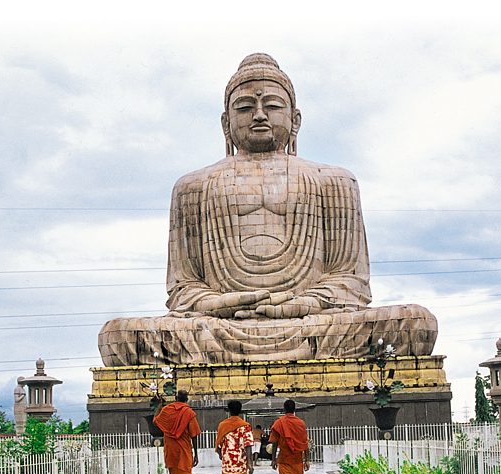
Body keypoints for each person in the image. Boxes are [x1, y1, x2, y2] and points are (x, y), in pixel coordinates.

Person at [98, 53, 438, 366]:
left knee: (415, 323)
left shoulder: (334, 181)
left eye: (272, 105)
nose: (259, 114)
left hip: (312, 321)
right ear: (225, 122)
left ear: (296, 120)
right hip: (220, 325)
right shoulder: (193, 187)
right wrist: (221, 304)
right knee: (118, 335)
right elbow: (184, 287)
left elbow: (350, 282)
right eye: (245, 107)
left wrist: (300, 304)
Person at [154, 389, 201, 474]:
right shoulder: (189, 413)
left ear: (175, 397)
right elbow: (194, 435)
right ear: (187, 399)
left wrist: (159, 405)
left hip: (170, 452)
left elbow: (156, 421)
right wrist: (196, 453)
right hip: (183, 452)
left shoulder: (167, 410)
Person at [215, 400, 256, 474]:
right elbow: (248, 444)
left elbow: (219, 443)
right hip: (240, 458)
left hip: (228, 457)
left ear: (228, 410)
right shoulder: (245, 425)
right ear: (240, 410)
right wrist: (250, 462)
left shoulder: (222, 425)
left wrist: (221, 454)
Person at [269, 399, 310, 474]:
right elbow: (304, 442)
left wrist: (273, 459)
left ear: (284, 409)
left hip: (284, 458)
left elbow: (274, 443)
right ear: (294, 409)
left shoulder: (279, 423)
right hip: (298, 458)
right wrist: (307, 459)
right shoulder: (300, 423)